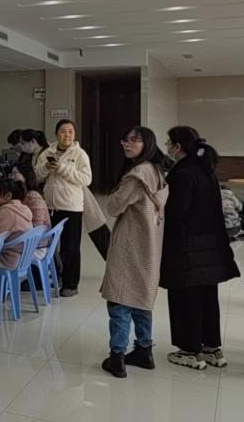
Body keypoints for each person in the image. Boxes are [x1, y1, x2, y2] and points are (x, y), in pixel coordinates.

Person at [160, 126, 239, 370]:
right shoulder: (206, 170)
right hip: (209, 244)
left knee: (186, 297)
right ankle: (212, 348)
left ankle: (189, 350)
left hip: (187, 245)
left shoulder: (183, 173)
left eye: (169, 143)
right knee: (207, 297)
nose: (167, 148)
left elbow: (177, 211)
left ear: (177, 147)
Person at [100, 126, 169, 378]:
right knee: (141, 297)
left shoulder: (136, 175)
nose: (127, 144)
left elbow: (113, 207)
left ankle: (117, 356)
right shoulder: (157, 171)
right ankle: (144, 350)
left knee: (119, 299)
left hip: (130, 244)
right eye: (126, 139)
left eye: (134, 140)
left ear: (147, 144)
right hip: (149, 244)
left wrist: (116, 192)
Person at [34, 119, 92, 297]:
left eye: (70, 131)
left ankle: (70, 284)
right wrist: (47, 167)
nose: (67, 135)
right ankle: (53, 277)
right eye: (63, 131)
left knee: (70, 247)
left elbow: (86, 179)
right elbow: (36, 176)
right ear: (56, 134)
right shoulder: (48, 152)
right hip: (50, 206)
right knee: (48, 245)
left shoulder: (80, 154)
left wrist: (62, 168)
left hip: (71, 207)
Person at [0, 178, 34, 269]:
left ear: (8, 196)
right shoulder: (23, 208)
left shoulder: (8, 211)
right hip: (23, 258)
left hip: (8, 259)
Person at [12, 162, 50, 260]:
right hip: (32, 243)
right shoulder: (25, 195)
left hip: (36, 247)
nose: (12, 177)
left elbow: (37, 228)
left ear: (25, 176)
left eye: (15, 174)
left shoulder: (33, 196)